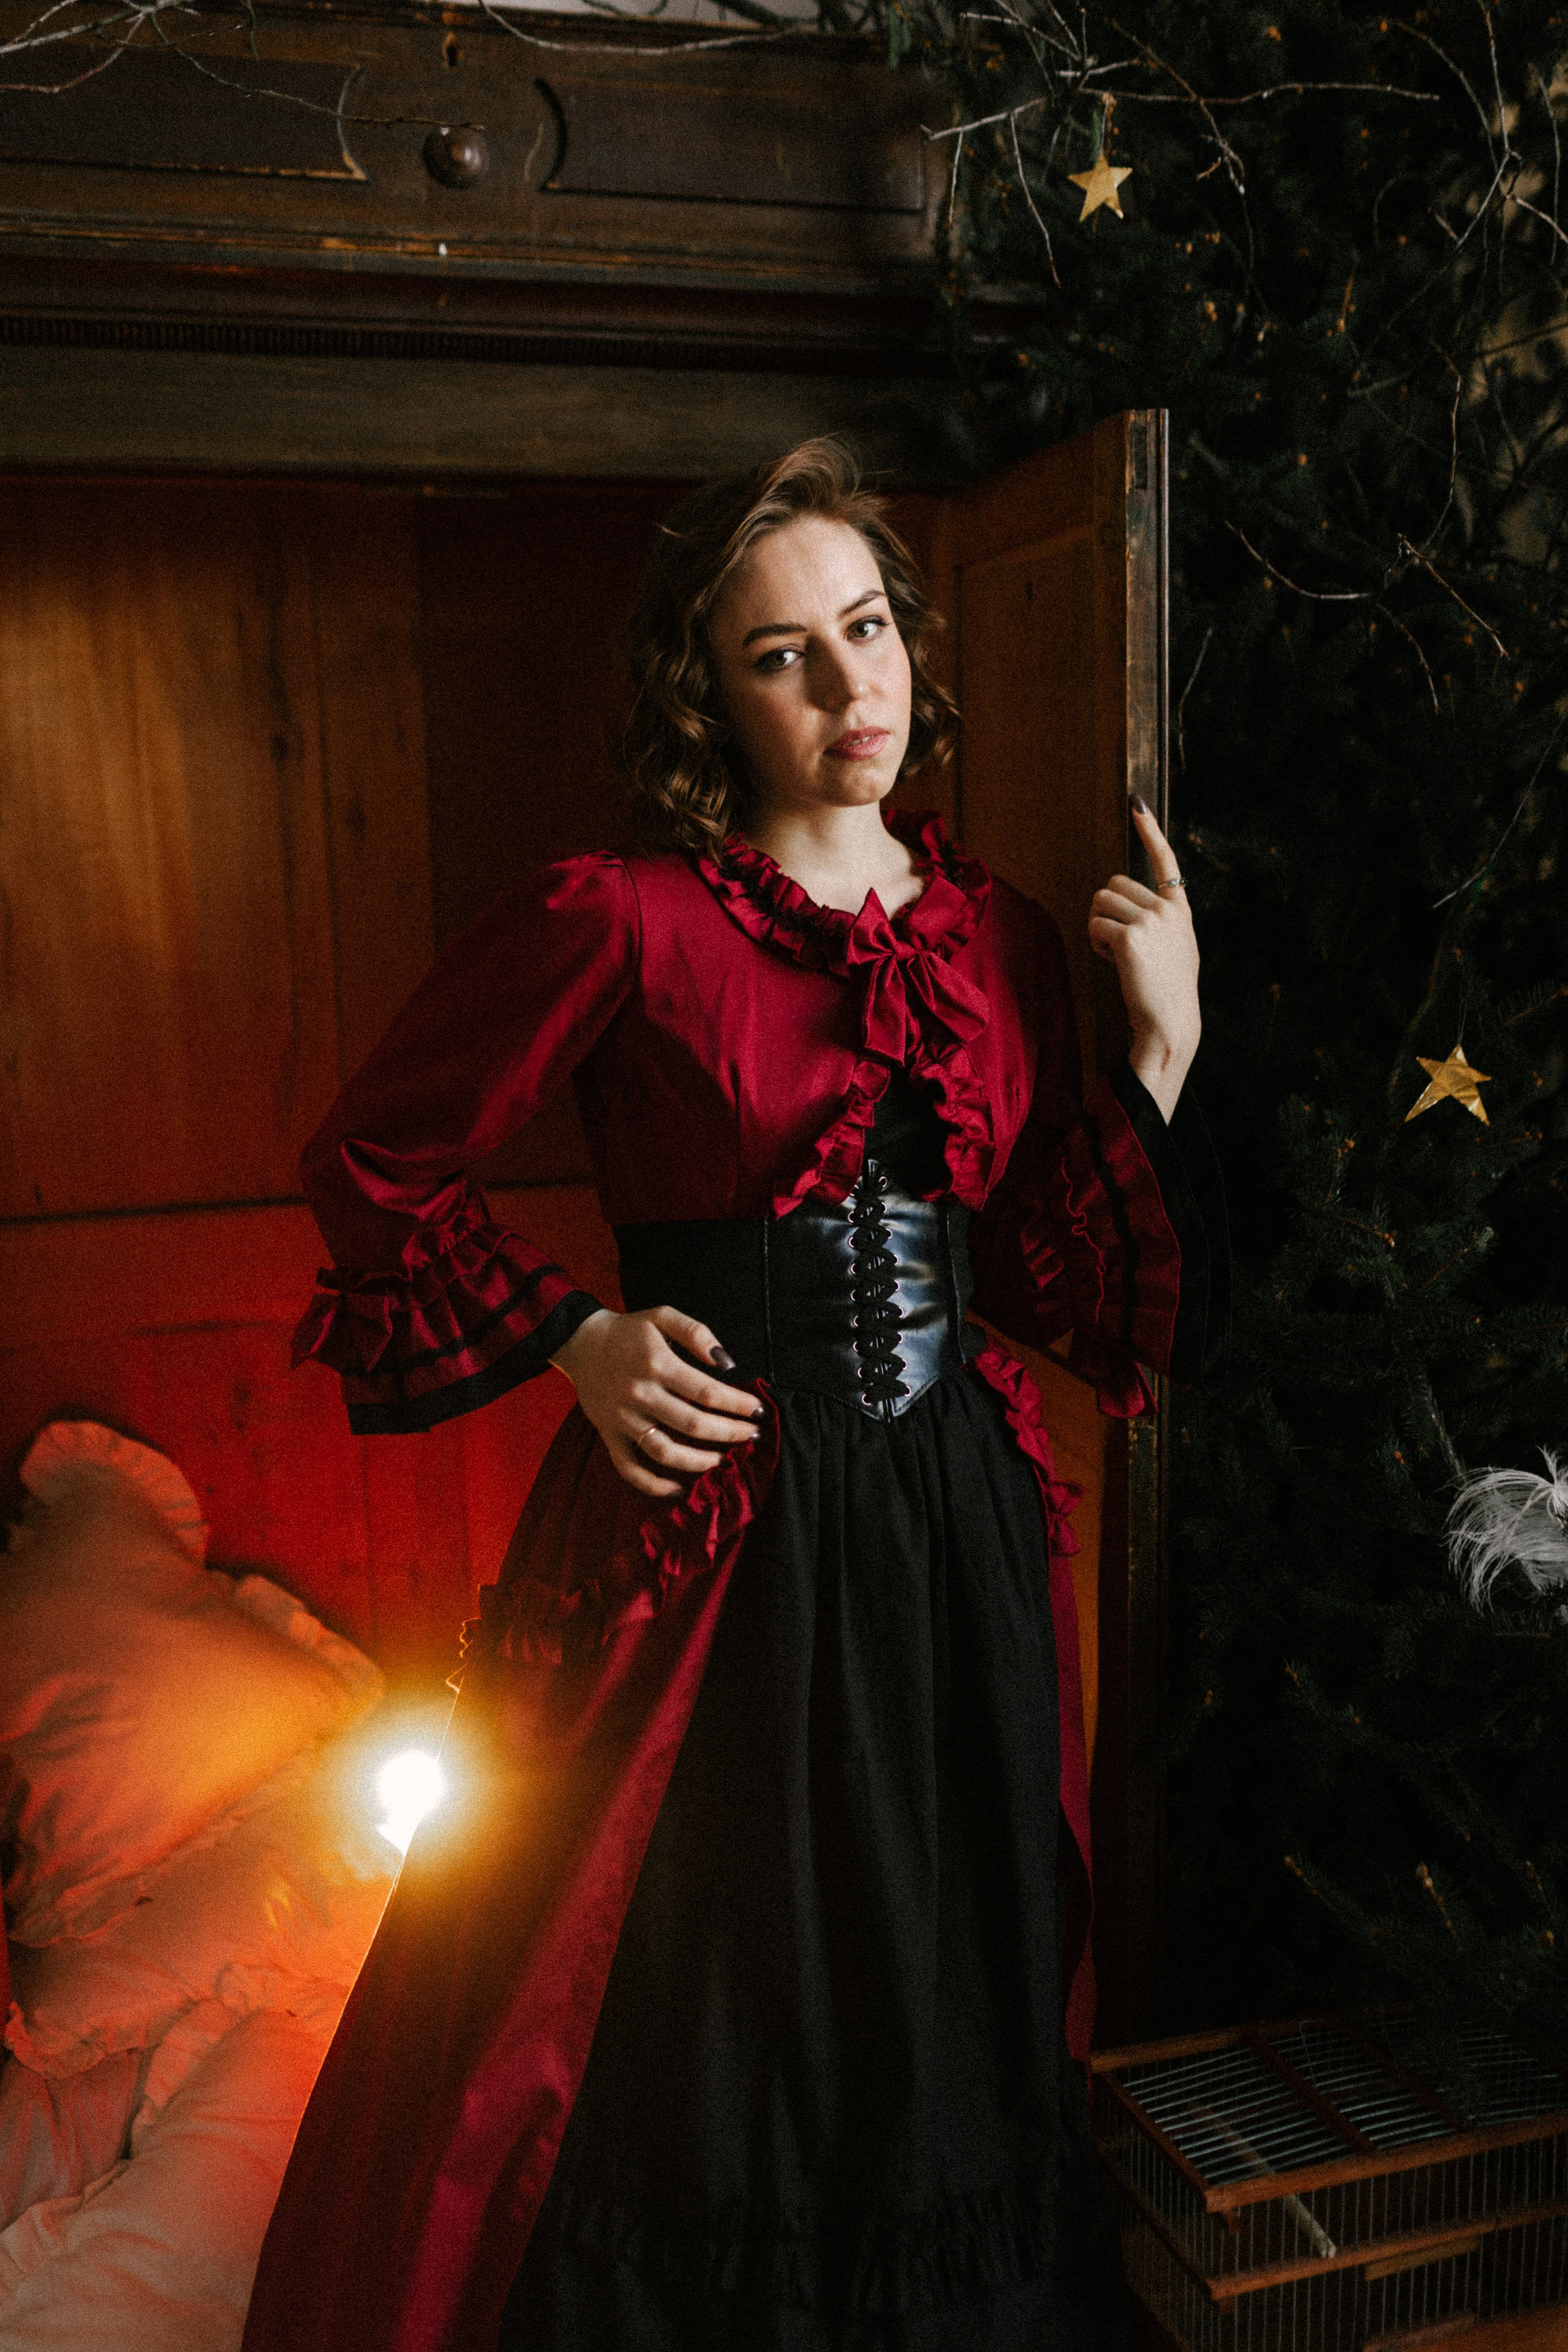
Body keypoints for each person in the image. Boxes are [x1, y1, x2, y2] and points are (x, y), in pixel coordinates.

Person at [241, 439, 1221, 2352]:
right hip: (721, 1534)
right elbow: (376, 1157)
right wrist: (574, 1339)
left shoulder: (1000, 934)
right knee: (709, 1979)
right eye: (785, 656)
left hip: (951, 1530)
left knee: (949, 1960)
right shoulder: (622, 915)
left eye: (869, 630)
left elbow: (1050, 1281)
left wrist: (1163, 1049)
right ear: (709, 693)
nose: (852, 686)